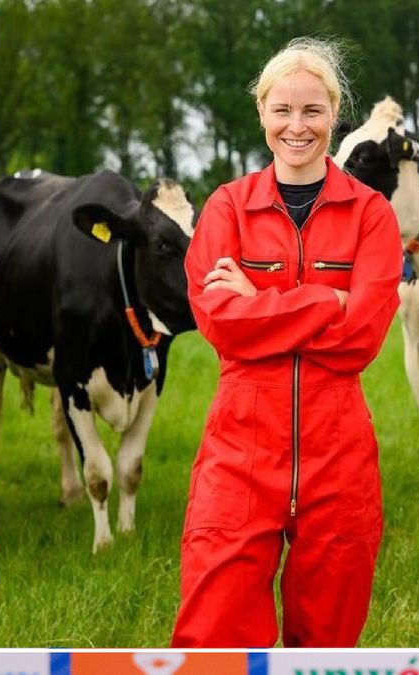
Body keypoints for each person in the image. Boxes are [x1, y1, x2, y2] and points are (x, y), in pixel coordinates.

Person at [170, 37, 401, 648]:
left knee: (327, 647)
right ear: (262, 115)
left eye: (313, 111)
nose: (297, 127)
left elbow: (363, 337)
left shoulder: (371, 213)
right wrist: (329, 299)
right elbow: (220, 324)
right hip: (240, 454)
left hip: (339, 457)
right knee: (214, 641)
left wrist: (260, 302)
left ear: (333, 115)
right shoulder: (228, 208)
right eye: (283, 111)